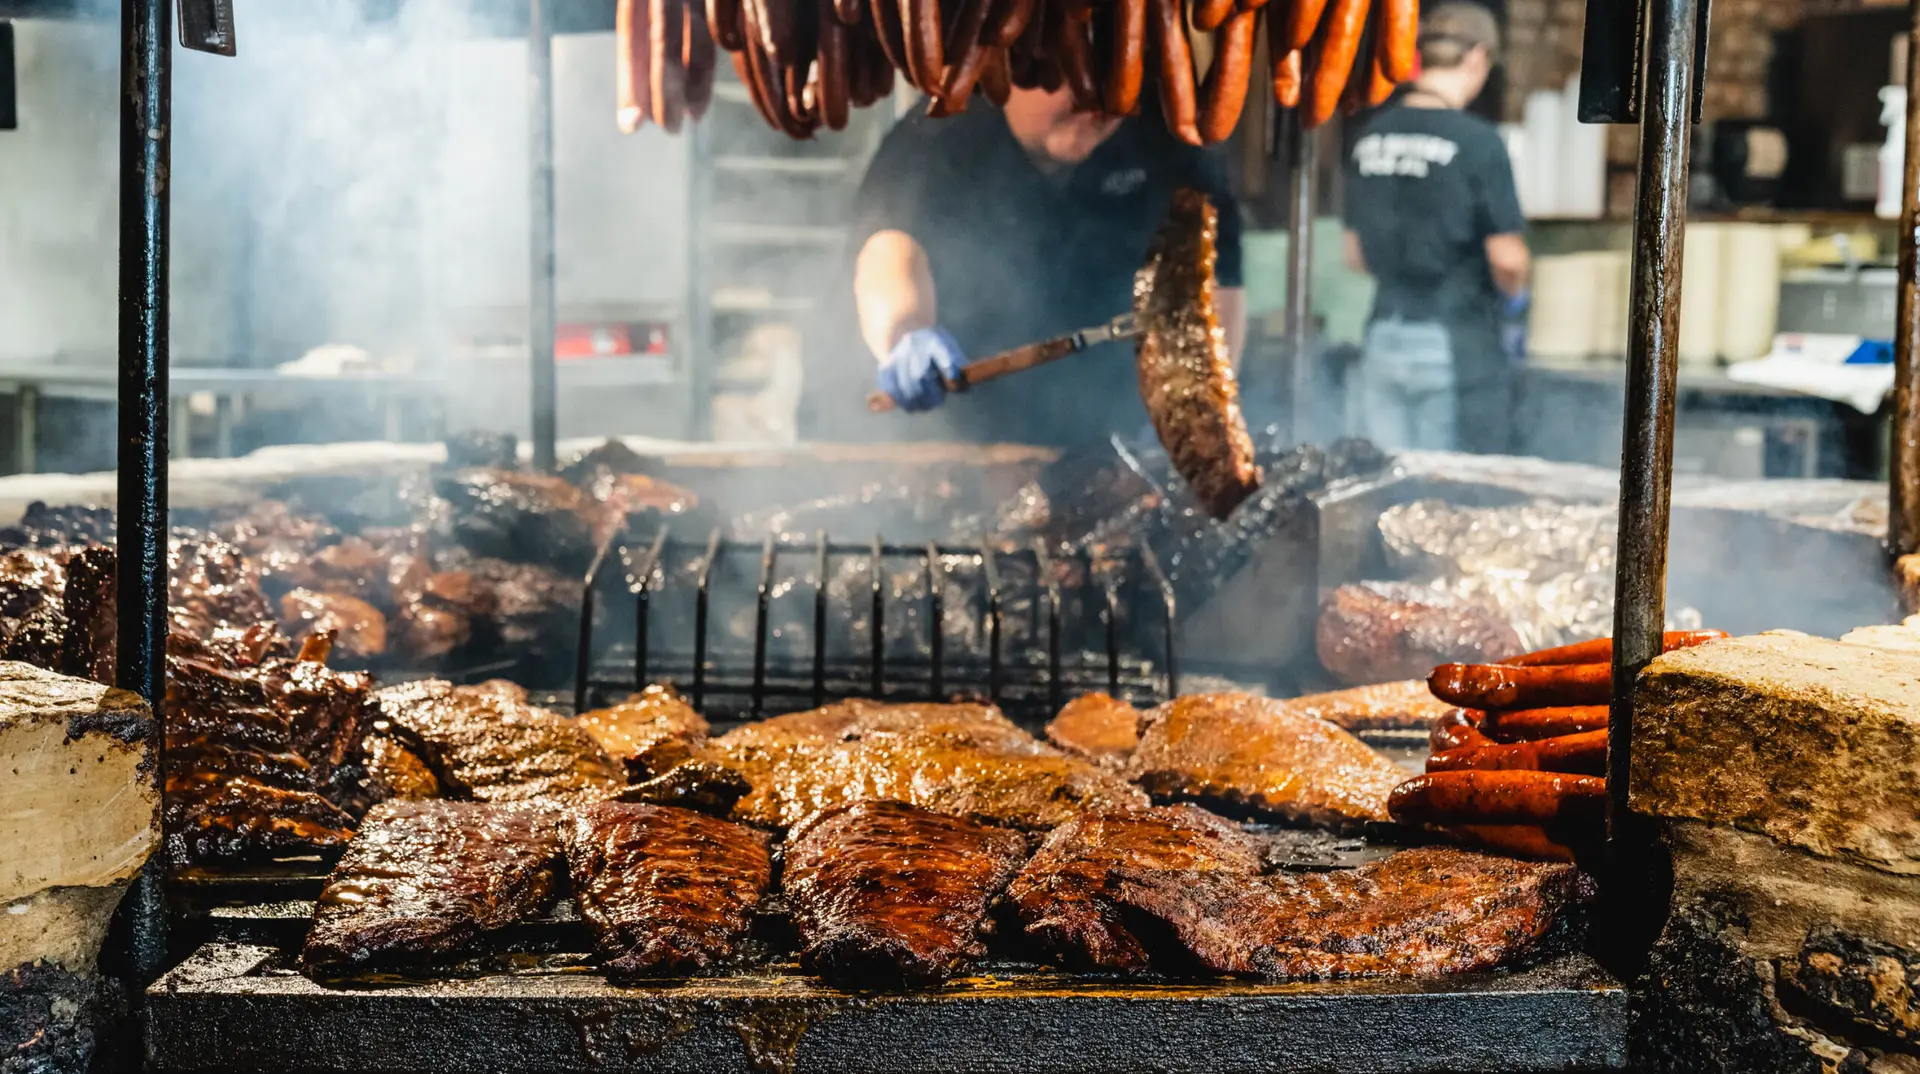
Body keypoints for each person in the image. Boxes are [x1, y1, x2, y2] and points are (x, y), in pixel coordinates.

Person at [840, 85, 1246, 447]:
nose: (1095, 99)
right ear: (1010, 68)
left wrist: (1196, 403)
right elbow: (888, 251)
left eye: (1110, 76)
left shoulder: (1168, 134)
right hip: (955, 438)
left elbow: (1216, 283)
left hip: (1115, 438)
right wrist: (906, 333)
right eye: (1068, 75)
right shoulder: (940, 132)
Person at [1341, 1, 1530, 454]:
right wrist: (1516, 300)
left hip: (1382, 340)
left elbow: (1354, 255)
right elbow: (1507, 260)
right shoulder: (1479, 143)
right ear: (1477, 57)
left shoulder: (1371, 134)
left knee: (1386, 482)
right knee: (1445, 485)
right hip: (1453, 347)